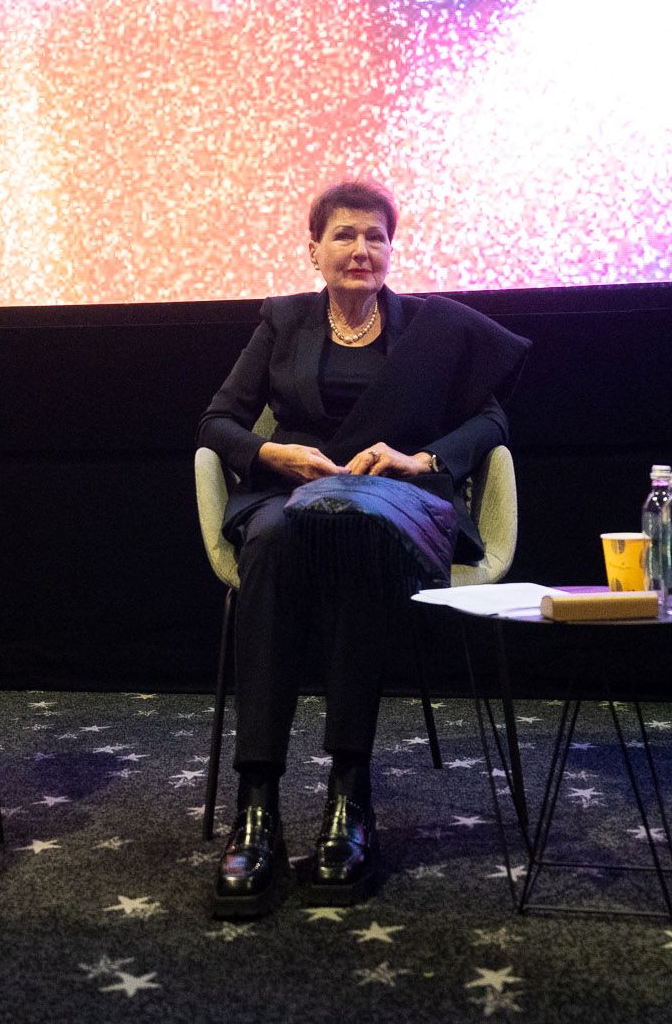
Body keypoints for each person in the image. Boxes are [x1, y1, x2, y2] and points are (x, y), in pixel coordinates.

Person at [198, 180, 529, 917]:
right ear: (313, 249)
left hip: (391, 503)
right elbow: (217, 421)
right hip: (291, 499)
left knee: (354, 536)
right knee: (274, 538)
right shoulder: (283, 320)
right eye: (344, 235)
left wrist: (422, 460)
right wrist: (275, 454)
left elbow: (492, 422)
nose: (360, 249)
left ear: (391, 248)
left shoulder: (427, 329)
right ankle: (257, 802)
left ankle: (350, 792)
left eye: (375, 236)